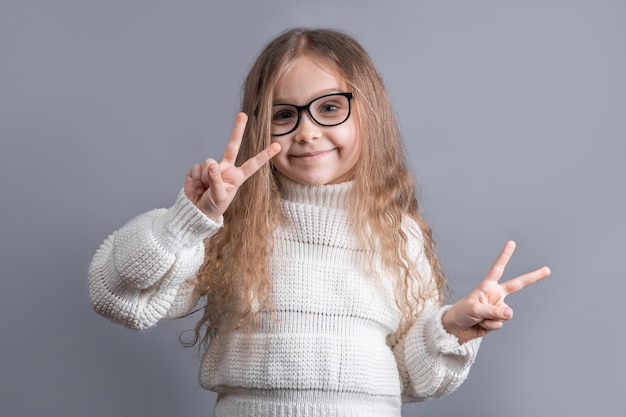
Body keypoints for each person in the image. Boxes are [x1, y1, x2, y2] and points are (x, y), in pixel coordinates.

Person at [88, 28, 550, 417]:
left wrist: (451, 327)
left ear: (368, 115)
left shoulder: (396, 234)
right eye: (284, 115)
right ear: (258, 129)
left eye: (329, 108)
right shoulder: (231, 223)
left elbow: (413, 379)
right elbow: (116, 297)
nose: (307, 131)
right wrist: (190, 221)